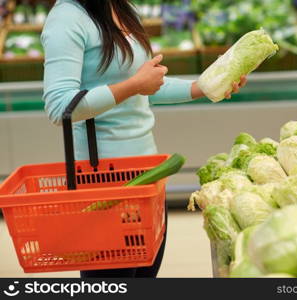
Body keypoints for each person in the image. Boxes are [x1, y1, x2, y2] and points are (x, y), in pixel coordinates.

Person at [41, 0, 247, 278]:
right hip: (105, 180)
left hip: (147, 174)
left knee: (146, 272)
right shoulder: (67, 18)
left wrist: (206, 87)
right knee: (113, 280)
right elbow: (59, 106)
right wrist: (134, 85)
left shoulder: (122, 8)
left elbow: (145, 86)